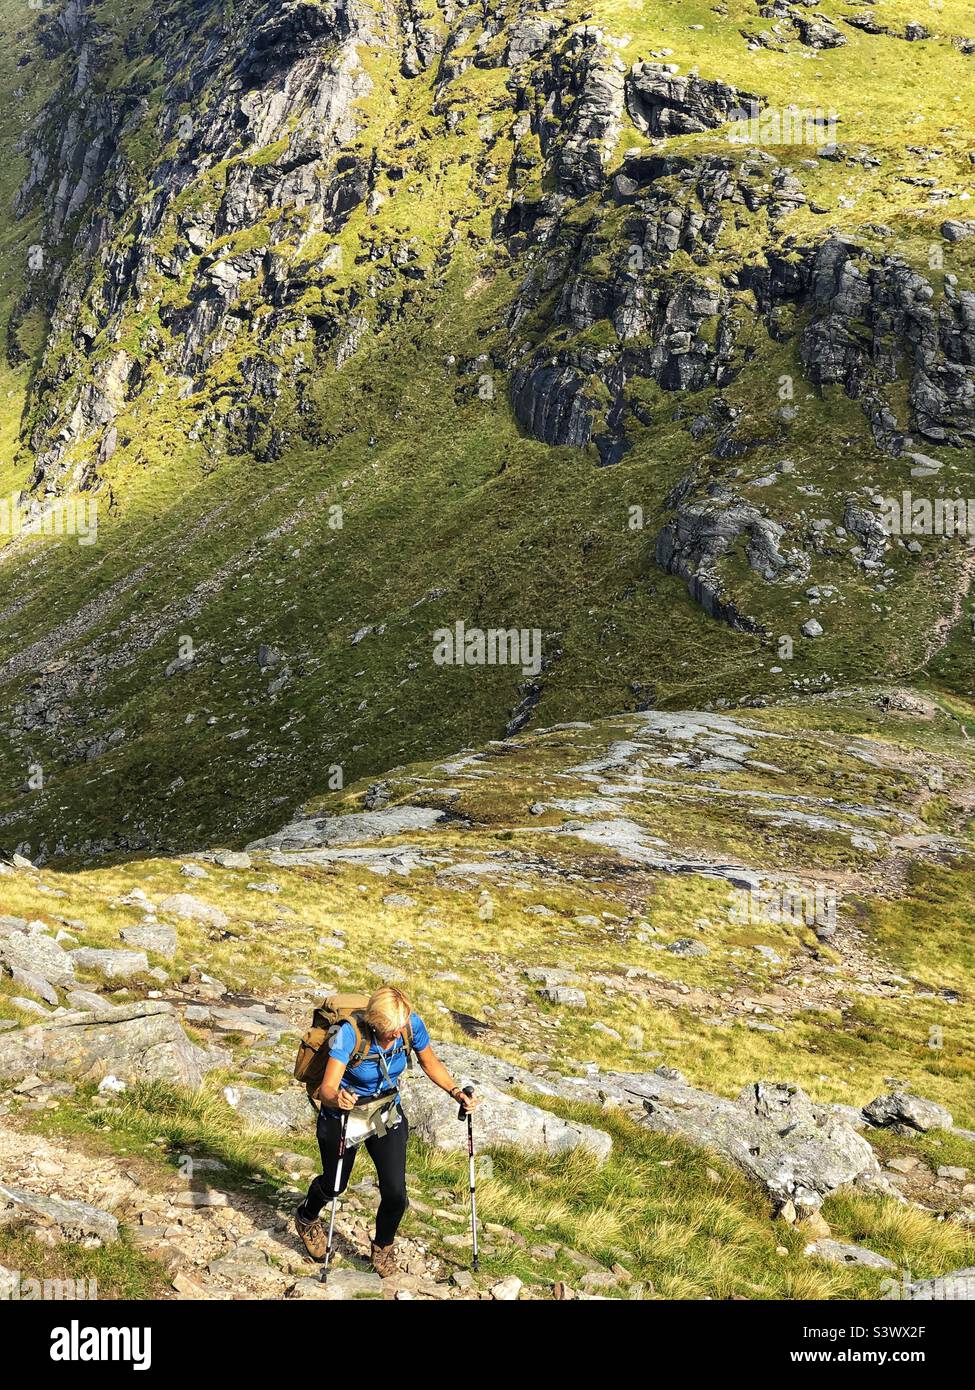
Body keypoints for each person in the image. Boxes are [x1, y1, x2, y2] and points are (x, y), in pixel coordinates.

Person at [294, 985, 478, 1276]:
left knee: (396, 1193)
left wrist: (456, 1092)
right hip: (344, 1113)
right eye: (390, 1030)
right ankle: (306, 1216)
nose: (397, 1034)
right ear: (376, 1023)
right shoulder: (349, 1035)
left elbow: (430, 1063)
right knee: (335, 1185)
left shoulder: (408, 1025)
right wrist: (337, 1098)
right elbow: (328, 1088)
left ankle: (382, 1249)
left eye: (401, 1027)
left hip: (384, 1111)